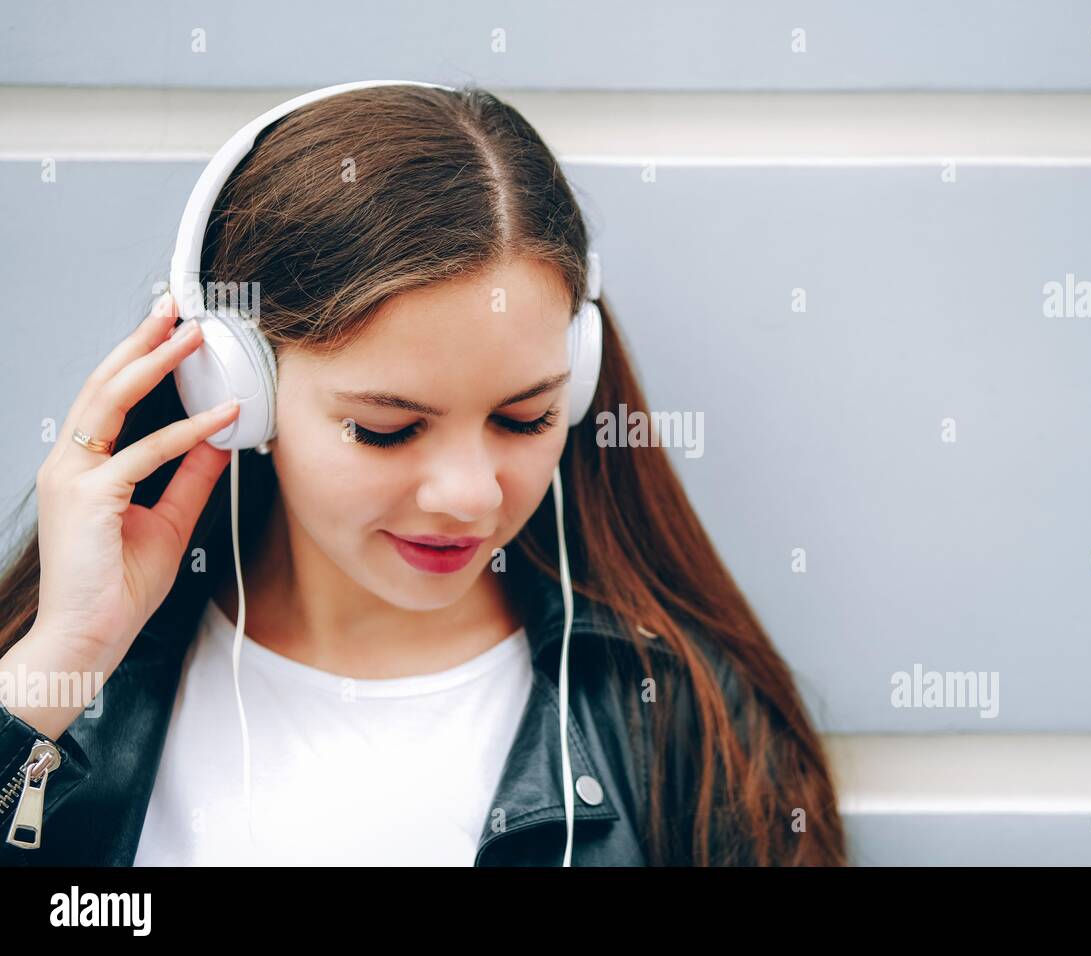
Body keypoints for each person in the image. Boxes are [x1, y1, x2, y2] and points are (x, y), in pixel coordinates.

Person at [0, 84, 846, 866]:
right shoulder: (78, 691)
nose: (470, 496)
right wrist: (55, 671)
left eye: (526, 419)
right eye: (387, 429)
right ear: (231, 389)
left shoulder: (680, 721)